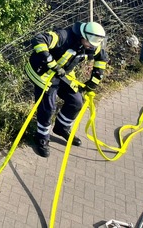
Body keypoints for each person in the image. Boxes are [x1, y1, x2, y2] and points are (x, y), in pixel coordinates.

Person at [25, 21, 108, 157]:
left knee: (76, 101)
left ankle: (61, 128)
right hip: (42, 73)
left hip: (64, 74)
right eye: (89, 44)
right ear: (83, 36)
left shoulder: (90, 44)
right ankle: (41, 137)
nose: (90, 48)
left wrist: (94, 81)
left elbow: (102, 58)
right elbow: (39, 39)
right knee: (48, 107)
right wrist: (52, 64)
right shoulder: (64, 36)